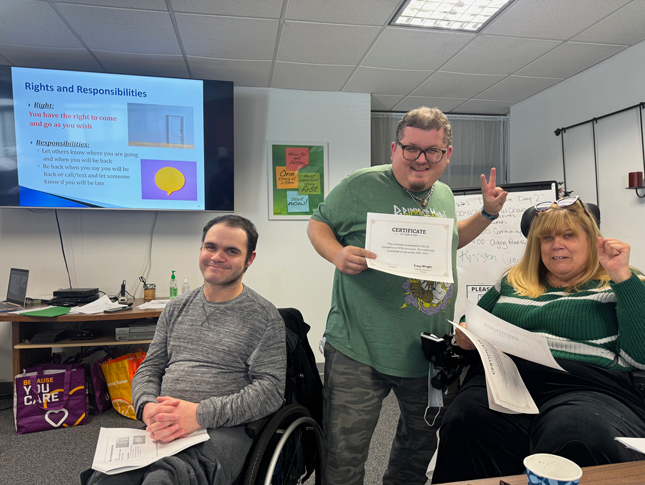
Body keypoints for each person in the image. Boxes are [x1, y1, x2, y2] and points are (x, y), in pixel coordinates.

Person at [306, 106, 508, 485]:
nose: (421, 159)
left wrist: (487, 213)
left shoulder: (445, 195)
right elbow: (318, 223)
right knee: (343, 455)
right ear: (394, 148)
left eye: (432, 151)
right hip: (359, 347)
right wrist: (337, 253)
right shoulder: (359, 185)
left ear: (447, 154)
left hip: (426, 351)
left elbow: (450, 241)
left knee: (418, 448)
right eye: (411, 148)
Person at [432, 196, 645, 483]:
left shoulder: (622, 281)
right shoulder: (512, 280)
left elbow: (640, 356)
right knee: (465, 421)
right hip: (507, 381)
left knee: (574, 435)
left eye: (569, 235)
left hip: (587, 385)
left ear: (592, 240)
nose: (557, 244)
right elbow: (473, 321)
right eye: (547, 238)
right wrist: (465, 333)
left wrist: (620, 274)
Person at [83, 215, 286, 485]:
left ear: (250, 259)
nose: (217, 256)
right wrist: (146, 406)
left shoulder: (264, 316)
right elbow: (150, 368)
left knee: (163, 480)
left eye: (232, 251)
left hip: (223, 430)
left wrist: (199, 414)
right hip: (162, 427)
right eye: (210, 247)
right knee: (109, 480)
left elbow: (271, 391)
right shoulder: (176, 308)